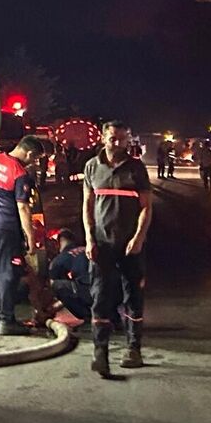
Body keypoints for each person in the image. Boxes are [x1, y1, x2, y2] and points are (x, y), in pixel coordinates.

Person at [80, 121, 153, 377]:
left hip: (130, 245)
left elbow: (146, 206)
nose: (117, 143)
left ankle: (134, 348)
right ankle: (100, 352)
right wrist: (89, 238)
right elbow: (87, 206)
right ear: (103, 138)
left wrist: (139, 237)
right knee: (100, 297)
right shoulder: (92, 167)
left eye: (122, 138)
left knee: (133, 295)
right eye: (112, 138)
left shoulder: (136, 168)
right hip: (102, 244)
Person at [0, 139, 37, 336]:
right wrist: (30, 237)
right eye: (35, 158)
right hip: (7, 228)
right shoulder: (20, 172)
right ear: (28, 154)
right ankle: (6, 320)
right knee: (8, 273)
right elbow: (23, 206)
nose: (34, 162)